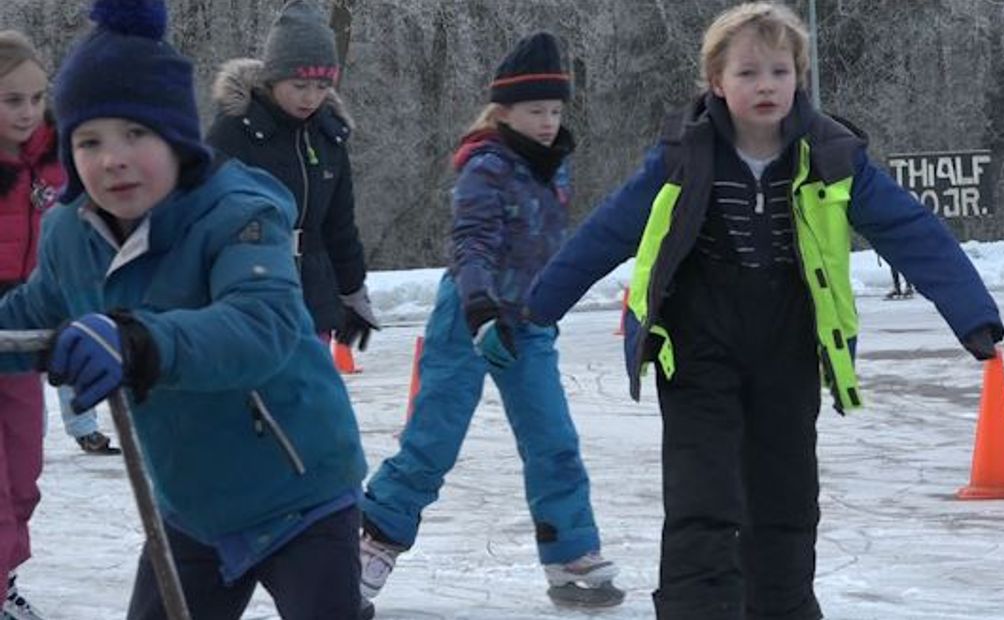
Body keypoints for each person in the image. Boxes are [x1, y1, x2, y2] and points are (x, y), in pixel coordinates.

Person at [524, 3, 1004, 619]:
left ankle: (784, 607)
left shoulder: (833, 152)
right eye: (748, 73)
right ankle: (697, 609)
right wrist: (539, 306)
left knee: (787, 494)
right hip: (696, 340)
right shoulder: (684, 153)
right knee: (704, 492)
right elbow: (609, 230)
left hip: (790, 339)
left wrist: (973, 315)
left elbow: (909, 230)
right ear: (716, 82)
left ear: (798, 77)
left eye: (779, 71)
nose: (766, 85)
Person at [0, 1, 371, 618]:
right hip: (193, 505)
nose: (112, 157)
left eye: (135, 134)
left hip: (301, 490)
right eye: (89, 141)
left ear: (177, 140)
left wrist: (139, 341)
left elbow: (260, 328)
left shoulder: (239, 215)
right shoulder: (71, 233)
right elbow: (32, 315)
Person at [357, 32, 623, 612]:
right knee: (433, 440)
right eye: (536, 111)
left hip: (530, 320)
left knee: (553, 437)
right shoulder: (485, 168)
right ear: (504, 112)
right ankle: (372, 542)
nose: (549, 122)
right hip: (468, 316)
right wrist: (479, 312)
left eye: (555, 110)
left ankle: (569, 550)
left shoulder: (555, 166)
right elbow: (470, 246)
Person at [206, 0, 379, 353]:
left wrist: (352, 294)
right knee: (255, 403)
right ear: (275, 76)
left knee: (311, 400)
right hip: (251, 292)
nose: (311, 98)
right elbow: (204, 218)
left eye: (321, 86)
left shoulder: (329, 136)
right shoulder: (236, 131)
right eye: (299, 85)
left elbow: (339, 225)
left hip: (313, 297)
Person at [0, 28, 60, 620]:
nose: (26, 111)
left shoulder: (56, 160)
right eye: (11, 99)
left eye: (35, 98)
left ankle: (4, 574)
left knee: (24, 475)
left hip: (21, 334)